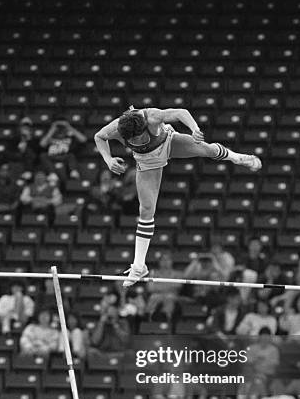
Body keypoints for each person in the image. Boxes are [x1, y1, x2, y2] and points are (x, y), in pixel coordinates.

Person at [94, 106, 262, 286]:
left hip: (168, 143)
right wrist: (108, 159)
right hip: (146, 161)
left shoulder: (151, 116)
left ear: (144, 126)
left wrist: (195, 129)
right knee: (146, 210)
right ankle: (139, 266)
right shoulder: (116, 128)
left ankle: (238, 158)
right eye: (132, 139)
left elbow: (180, 112)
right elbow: (99, 137)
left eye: (139, 136)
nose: (136, 140)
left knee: (208, 151)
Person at [40, 117, 86, 183]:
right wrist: (52, 129)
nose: (60, 129)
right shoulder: (49, 136)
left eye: (62, 127)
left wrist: (68, 127)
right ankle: (52, 174)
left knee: (71, 155)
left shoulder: (70, 136)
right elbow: (42, 144)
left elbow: (83, 139)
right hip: (51, 157)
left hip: (65, 156)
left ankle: (73, 171)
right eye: (59, 127)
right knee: (43, 155)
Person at [146, 252, 181, 322]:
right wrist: (168, 285)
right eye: (163, 260)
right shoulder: (153, 273)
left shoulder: (177, 274)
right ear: (159, 262)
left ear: (171, 261)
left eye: (167, 260)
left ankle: (167, 319)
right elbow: (150, 288)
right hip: (157, 295)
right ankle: (149, 319)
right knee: (154, 297)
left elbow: (178, 286)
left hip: (172, 295)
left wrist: (159, 286)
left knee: (169, 297)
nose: (165, 262)